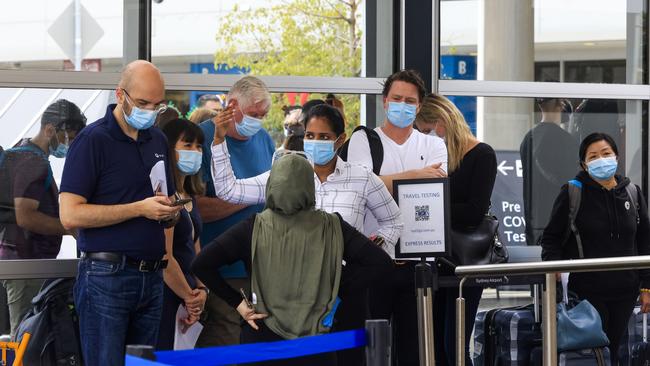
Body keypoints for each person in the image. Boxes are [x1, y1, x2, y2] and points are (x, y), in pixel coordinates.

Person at [210, 103, 403, 365]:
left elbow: (393, 221)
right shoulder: (285, 176)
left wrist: (357, 264)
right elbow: (228, 190)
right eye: (310, 136)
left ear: (339, 140)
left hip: (342, 300)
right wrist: (219, 140)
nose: (315, 142)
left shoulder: (362, 178)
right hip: (285, 298)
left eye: (323, 137)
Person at [59, 60, 182, 365]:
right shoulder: (92, 140)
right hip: (106, 277)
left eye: (158, 105)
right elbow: (70, 215)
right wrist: (138, 209)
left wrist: (169, 212)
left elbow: (161, 196)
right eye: (142, 103)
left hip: (152, 276)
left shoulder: (157, 139)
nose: (151, 111)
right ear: (120, 95)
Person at [345, 69, 447, 366]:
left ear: (419, 106)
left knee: (414, 350)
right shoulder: (364, 140)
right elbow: (362, 186)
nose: (403, 105)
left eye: (410, 100)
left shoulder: (433, 144)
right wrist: (416, 175)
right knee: (368, 349)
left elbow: (435, 188)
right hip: (372, 259)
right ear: (385, 101)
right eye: (397, 98)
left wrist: (385, 180)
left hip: (418, 263)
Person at [540, 132, 650, 365]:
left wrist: (646, 286)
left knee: (615, 349)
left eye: (606, 153)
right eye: (593, 156)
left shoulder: (633, 193)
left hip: (625, 291)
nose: (601, 159)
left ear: (616, 156)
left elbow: (644, 240)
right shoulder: (572, 192)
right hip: (587, 292)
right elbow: (550, 238)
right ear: (584, 164)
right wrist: (556, 269)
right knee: (592, 354)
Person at [414, 94, 497, 365]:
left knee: (455, 346)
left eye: (427, 130)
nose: (425, 137)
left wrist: (434, 204)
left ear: (443, 122)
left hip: (466, 260)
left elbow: (474, 212)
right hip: (435, 258)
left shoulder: (481, 154)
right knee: (433, 346)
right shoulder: (434, 159)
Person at [196, 76, 275, 347]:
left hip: (259, 267)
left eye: (263, 115)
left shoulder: (264, 139)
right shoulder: (203, 138)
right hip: (218, 267)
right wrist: (252, 194)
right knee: (225, 334)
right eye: (254, 114)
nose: (259, 120)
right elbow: (194, 208)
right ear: (232, 105)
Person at [0, 99, 86, 339]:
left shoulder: (20, 151)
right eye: (68, 136)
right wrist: (68, 226)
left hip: (17, 260)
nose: (69, 143)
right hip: (27, 265)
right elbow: (25, 217)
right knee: (26, 339)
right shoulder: (33, 162)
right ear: (50, 130)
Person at [156, 119, 208, 350]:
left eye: (198, 147)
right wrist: (189, 296)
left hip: (187, 296)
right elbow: (164, 257)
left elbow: (195, 246)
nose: (195, 152)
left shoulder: (188, 195)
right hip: (167, 297)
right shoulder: (164, 195)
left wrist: (202, 291)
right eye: (187, 145)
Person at [520, 98, 580, 246]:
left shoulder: (528, 138)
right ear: (561, 105)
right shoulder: (565, 140)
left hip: (534, 222)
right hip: (560, 222)